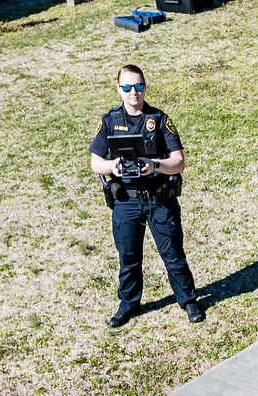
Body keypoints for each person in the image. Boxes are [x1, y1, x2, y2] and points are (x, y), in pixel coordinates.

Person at [89, 64, 205, 327]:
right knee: (128, 257)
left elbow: (179, 161)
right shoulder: (109, 122)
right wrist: (112, 167)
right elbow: (95, 163)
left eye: (138, 86)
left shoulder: (160, 120)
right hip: (126, 201)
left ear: (145, 87)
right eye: (127, 87)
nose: (133, 93)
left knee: (174, 255)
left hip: (159, 199)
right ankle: (128, 304)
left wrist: (155, 166)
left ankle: (188, 300)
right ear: (118, 88)